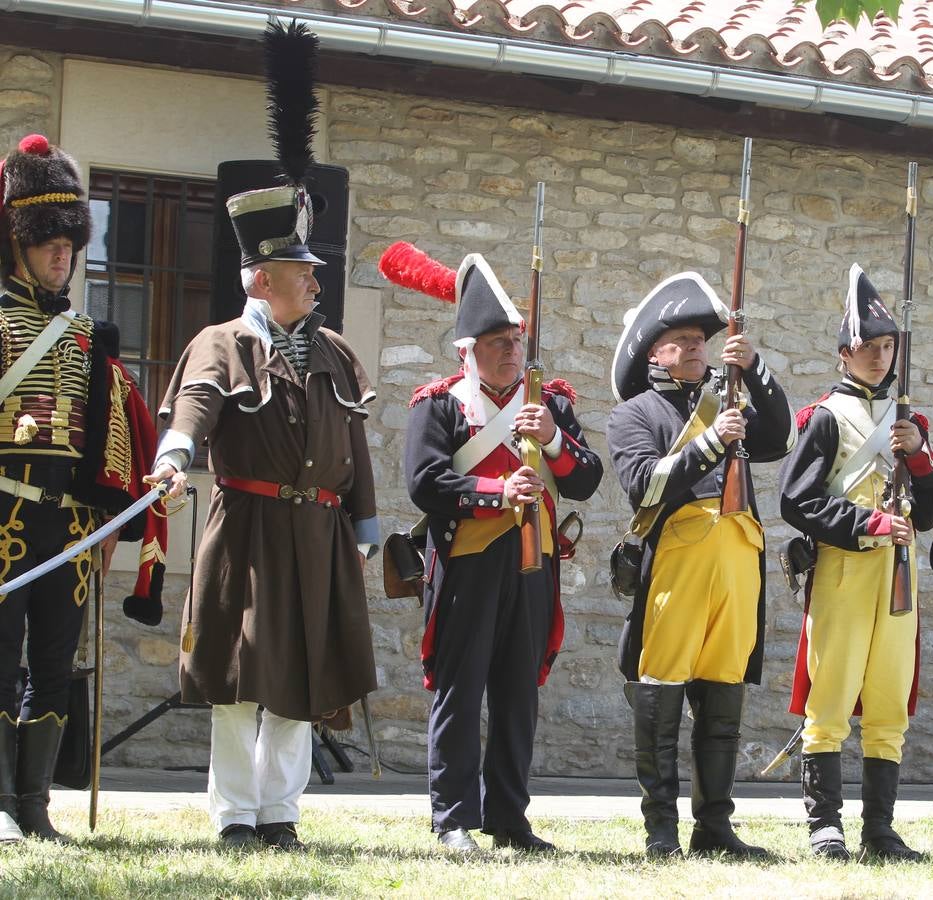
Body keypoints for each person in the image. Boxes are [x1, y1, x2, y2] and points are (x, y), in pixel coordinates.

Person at [147, 20, 379, 851]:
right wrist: (175, 454)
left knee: (302, 677)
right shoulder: (223, 341)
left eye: (314, 272)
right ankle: (236, 815)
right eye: (303, 272)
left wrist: (365, 523)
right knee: (243, 677)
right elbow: (196, 407)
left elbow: (353, 447)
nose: (316, 280)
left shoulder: (336, 352)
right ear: (262, 277)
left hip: (316, 531)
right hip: (245, 529)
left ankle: (282, 812)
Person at [396, 246, 602, 856]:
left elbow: (587, 478)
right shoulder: (439, 404)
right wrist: (495, 489)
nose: (510, 349)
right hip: (467, 562)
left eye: (515, 338)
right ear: (469, 350)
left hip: (534, 564)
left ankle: (510, 817)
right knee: (460, 689)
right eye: (496, 340)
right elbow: (425, 483)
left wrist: (554, 440)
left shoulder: (551, 403)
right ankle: (453, 817)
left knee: (518, 691)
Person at [0, 133, 165, 844]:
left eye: (69, 240)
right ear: (18, 243)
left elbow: (112, 434)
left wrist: (115, 512)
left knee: (56, 664)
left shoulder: (83, 335)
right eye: (48, 241)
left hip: (67, 526)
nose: (62, 252)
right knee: (1, 662)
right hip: (3, 511)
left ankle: (34, 807)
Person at [607, 271, 794, 858]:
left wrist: (756, 368)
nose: (694, 348)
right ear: (652, 352)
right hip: (678, 564)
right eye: (679, 341)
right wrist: (712, 442)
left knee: (722, 700)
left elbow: (780, 438)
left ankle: (714, 826)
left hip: (738, 559)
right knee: (661, 695)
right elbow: (644, 484)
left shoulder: (729, 397)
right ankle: (660, 829)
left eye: (699, 340)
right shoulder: (634, 414)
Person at [779, 264, 933, 861]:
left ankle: (880, 829)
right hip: (847, 569)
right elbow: (796, 499)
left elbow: (929, 513)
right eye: (867, 348)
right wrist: (866, 523)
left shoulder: (909, 422)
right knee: (831, 698)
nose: (879, 357)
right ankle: (826, 826)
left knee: (888, 699)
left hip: (898, 576)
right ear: (844, 353)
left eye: (886, 346)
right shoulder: (826, 417)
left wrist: (921, 458)